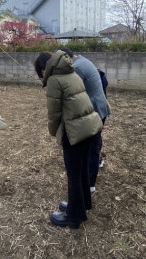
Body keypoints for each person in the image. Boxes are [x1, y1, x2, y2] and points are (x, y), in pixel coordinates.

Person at [34, 50, 103, 229]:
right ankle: (82, 204)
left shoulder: (54, 80)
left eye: (40, 71)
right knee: (81, 171)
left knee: (73, 175)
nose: (41, 75)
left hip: (75, 133)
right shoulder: (71, 72)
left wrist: (52, 132)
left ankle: (73, 217)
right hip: (90, 128)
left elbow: (54, 113)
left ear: (44, 68)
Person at [60, 48, 111, 193]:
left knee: (91, 148)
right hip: (100, 107)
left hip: (94, 110)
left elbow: (69, 91)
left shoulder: (77, 68)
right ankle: (94, 171)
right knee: (95, 143)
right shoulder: (83, 61)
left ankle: (89, 184)